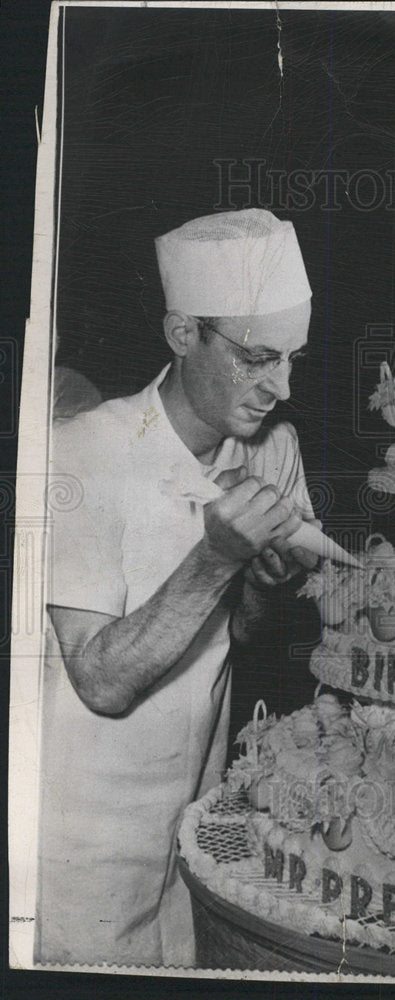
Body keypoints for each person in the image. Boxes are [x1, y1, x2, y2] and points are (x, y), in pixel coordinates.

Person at [36, 209, 320, 967]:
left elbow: (250, 635)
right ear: (182, 333)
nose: (279, 388)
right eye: (257, 357)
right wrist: (218, 556)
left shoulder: (270, 450)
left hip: (192, 826)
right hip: (76, 846)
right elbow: (99, 680)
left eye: (292, 358)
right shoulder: (83, 452)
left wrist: (266, 579)